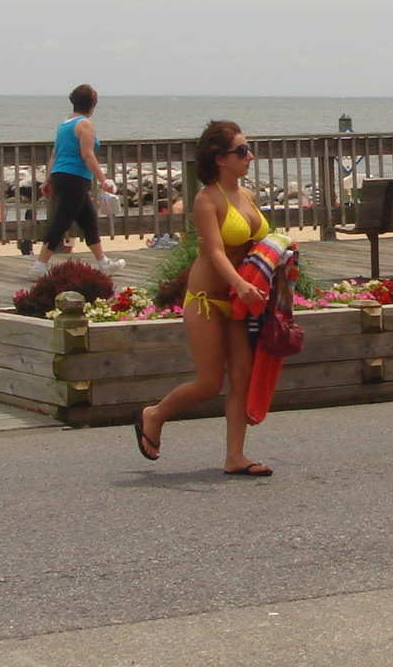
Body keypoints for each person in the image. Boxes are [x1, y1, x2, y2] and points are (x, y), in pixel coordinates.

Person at [133, 121, 274, 476]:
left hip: (238, 301)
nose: (249, 156)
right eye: (241, 151)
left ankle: (235, 457)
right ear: (219, 158)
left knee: (242, 376)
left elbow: (256, 247)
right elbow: (214, 252)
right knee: (210, 383)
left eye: (248, 148)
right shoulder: (206, 199)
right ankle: (154, 414)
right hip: (207, 300)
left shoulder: (249, 197)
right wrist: (239, 284)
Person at [36, 85, 122, 274]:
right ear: (93, 105)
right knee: (61, 222)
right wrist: (104, 180)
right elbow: (88, 155)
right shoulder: (85, 125)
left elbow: (55, 153)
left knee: (89, 220)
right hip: (75, 178)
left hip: (61, 176)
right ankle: (39, 266)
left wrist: (48, 180)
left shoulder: (64, 124)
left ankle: (103, 262)